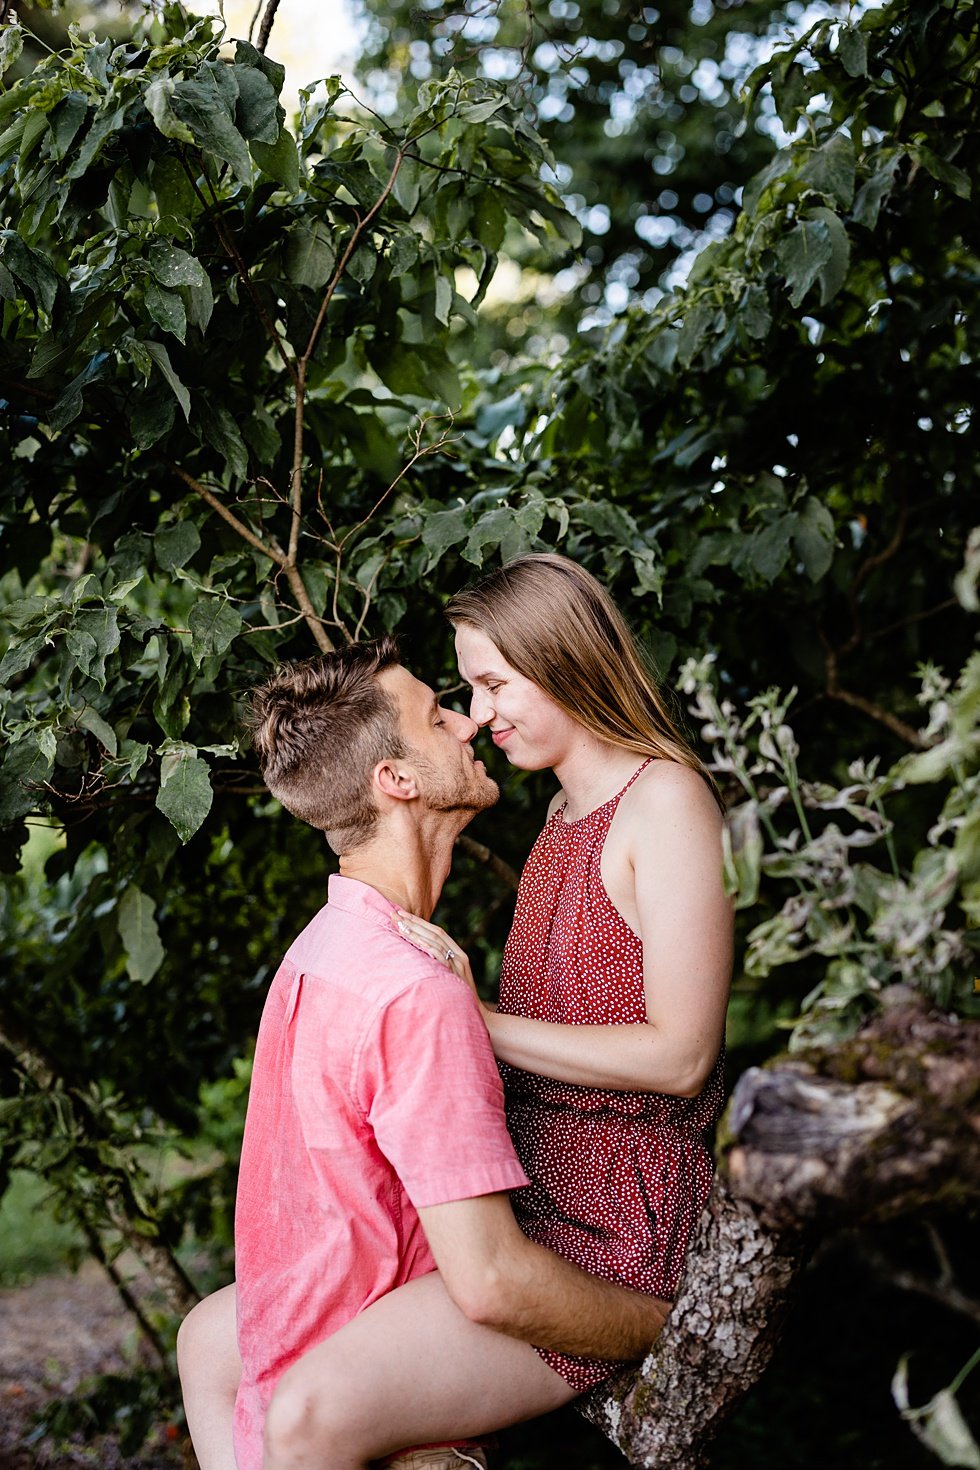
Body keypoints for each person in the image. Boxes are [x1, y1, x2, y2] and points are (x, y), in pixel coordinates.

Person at [178, 633, 674, 1470]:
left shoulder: (320, 951)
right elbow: (491, 1284)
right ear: (397, 781)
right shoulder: (415, 990)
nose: (470, 723)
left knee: (211, 1342)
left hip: (493, 1253)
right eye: (440, 715)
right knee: (274, 1389)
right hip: (492, 1277)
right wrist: (672, 1325)